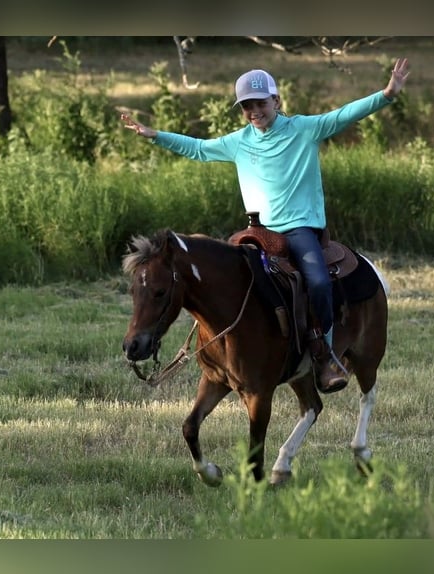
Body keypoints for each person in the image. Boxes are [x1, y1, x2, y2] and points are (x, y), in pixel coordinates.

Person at [121, 57, 409, 393]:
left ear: (277, 101)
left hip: (300, 230)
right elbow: (198, 148)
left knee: (317, 281)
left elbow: (344, 114)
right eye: (246, 106)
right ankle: (232, 350)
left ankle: (324, 353)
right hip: (257, 232)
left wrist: (387, 94)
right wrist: (155, 135)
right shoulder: (239, 141)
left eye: (260, 103)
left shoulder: (305, 129)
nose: (254, 111)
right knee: (223, 282)